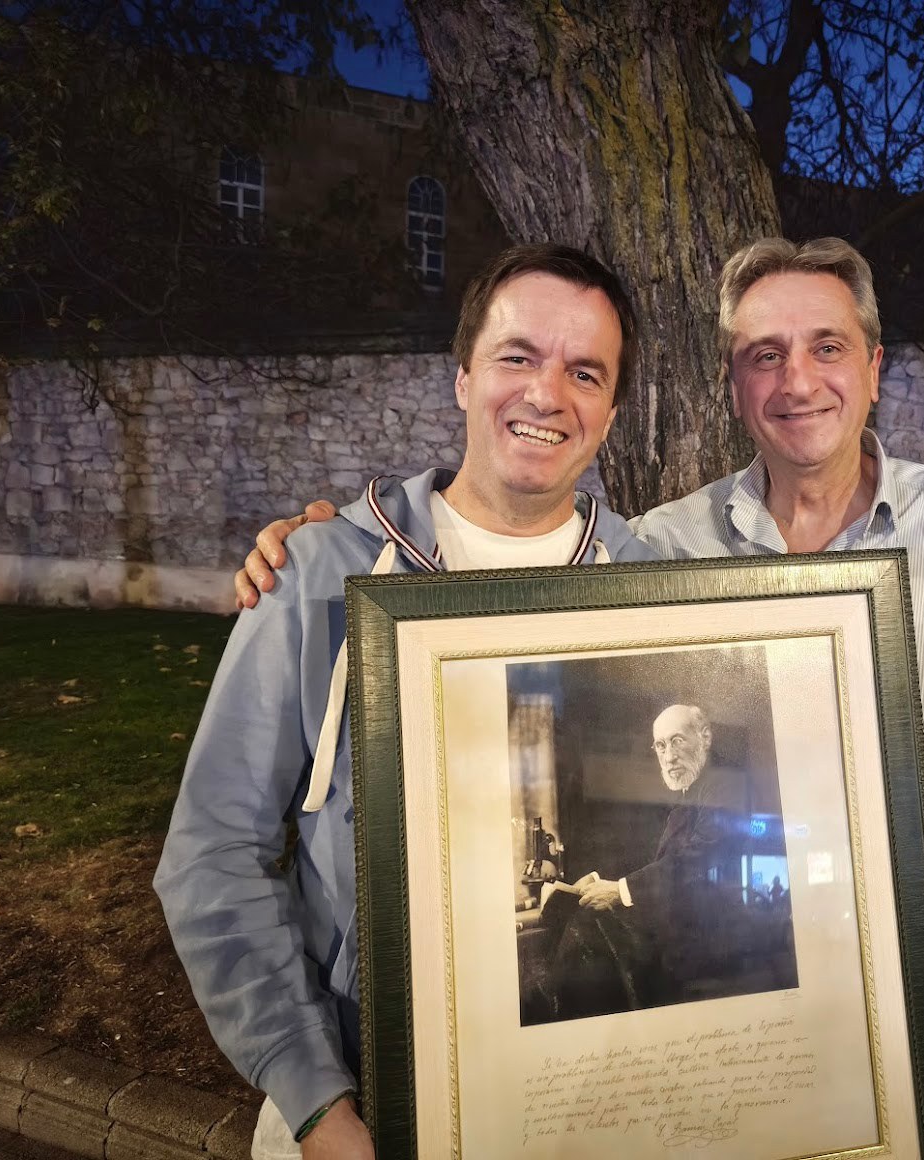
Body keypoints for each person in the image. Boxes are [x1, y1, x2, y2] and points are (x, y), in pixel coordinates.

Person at [235, 237, 924, 1160]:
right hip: (729, 1013)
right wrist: (315, 548)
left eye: (827, 346)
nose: (796, 380)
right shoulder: (662, 555)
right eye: (763, 355)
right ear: (732, 384)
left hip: (915, 1009)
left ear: (875, 367)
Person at [154, 244, 656, 1160]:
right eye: (517, 356)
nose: (548, 394)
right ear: (462, 378)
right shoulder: (317, 576)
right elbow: (211, 851)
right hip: (361, 1104)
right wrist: (314, 1102)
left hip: (596, 1100)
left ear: (611, 410)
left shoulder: (660, 594)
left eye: (585, 371)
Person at [549, 704, 754, 1018]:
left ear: (705, 737)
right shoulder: (692, 789)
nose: (668, 756)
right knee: (585, 927)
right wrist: (599, 879)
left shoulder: (725, 783)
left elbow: (694, 861)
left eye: (677, 741)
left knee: (586, 936)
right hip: (683, 937)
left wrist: (620, 890)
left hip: (708, 946)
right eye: (660, 745)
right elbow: (662, 860)